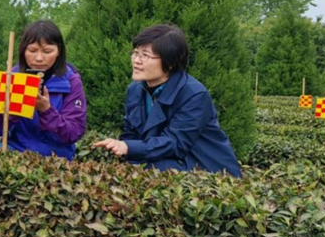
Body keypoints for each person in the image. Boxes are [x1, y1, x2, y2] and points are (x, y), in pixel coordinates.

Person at [93, 24, 242, 177]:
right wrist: (121, 147)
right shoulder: (135, 89)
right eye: (135, 53)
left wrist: (129, 147)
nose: (136, 60)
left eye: (145, 55)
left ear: (170, 62)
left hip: (204, 170)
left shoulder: (194, 95)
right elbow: (131, 133)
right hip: (160, 163)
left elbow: (175, 143)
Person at [0, 20, 87, 158]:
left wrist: (46, 110)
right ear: (23, 50)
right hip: (16, 149)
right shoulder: (11, 76)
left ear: (59, 51)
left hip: (56, 157)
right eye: (32, 50)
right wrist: (10, 111)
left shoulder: (71, 81)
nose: (39, 58)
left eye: (47, 51)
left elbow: (74, 133)